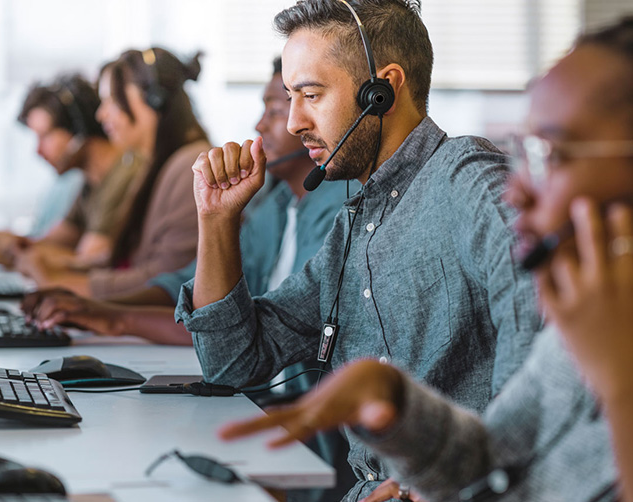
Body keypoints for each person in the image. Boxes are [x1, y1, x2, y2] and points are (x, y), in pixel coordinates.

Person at [219, 17, 633, 502]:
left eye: (551, 155)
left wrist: (620, 388)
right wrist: (394, 403)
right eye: (525, 151)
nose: (516, 190)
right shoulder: (582, 330)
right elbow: (494, 461)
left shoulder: (468, 184)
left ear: (381, 91)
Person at [175, 1, 541, 499]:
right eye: (290, 97)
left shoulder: (465, 177)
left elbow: (541, 326)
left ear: (382, 90)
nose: (294, 123)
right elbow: (234, 361)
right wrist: (217, 220)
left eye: (311, 94)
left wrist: (470, 482)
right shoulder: (354, 227)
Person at [21, 57, 354, 347]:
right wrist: (100, 311)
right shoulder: (276, 204)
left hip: (279, 398)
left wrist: (112, 317)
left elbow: (257, 329)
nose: (259, 124)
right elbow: (192, 284)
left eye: (275, 110)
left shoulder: (338, 209)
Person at [16, 48, 210, 299]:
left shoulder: (190, 167)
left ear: (154, 100)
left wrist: (63, 283)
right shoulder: (152, 166)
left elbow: (168, 279)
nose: (101, 114)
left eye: (112, 101)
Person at [0, 74, 134, 270]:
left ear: (78, 128)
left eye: (45, 136)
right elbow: (44, 243)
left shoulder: (124, 176)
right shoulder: (89, 185)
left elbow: (86, 261)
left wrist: (14, 253)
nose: (38, 151)